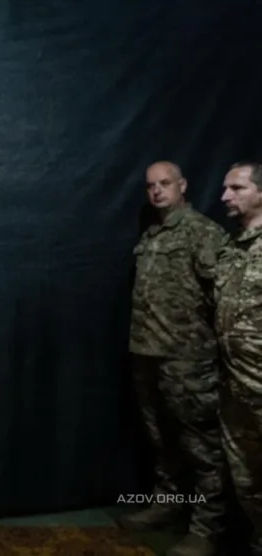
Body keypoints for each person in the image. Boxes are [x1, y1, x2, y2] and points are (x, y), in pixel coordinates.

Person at [119, 161, 229, 556]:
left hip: (187, 359)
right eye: (150, 185)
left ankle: (208, 526)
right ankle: (168, 504)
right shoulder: (152, 234)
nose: (157, 191)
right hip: (148, 354)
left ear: (182, 185)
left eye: (165, 183)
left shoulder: (203, 233)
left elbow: (223, 295)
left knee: (200, 445)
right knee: (161, 439)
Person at [215, 162, 262, 556]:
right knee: (246, 479)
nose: (225, 196)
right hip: (235, 388)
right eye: (225, 188)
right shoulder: (231, 248)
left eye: (237, 188)